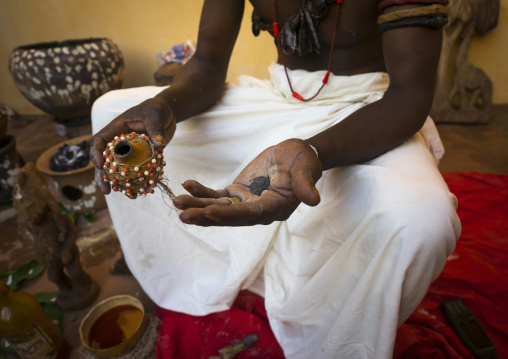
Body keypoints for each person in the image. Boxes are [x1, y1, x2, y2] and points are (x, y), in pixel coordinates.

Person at [90, 0, 461, 357]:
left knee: (424, 219)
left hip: (369, 109)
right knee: (109, 109)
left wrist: (313, 153)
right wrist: (166, 104)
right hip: (277, 99)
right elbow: (206, 63)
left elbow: (409, 93)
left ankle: (337, 338)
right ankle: (221, 268)